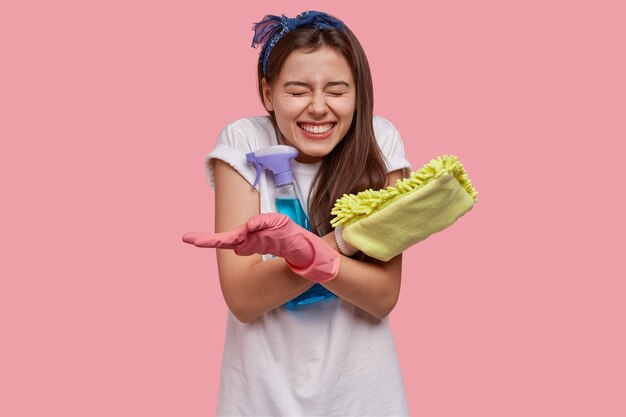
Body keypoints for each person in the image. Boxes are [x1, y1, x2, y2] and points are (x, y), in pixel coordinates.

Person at [183, 11, 413, 416]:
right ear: (268, 94)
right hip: (259, 400)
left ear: (359, 94)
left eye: (338, 91)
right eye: (297, 91)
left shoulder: (379, 140)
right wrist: (336, 249)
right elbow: (244, 298)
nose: (319, 108)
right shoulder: (244, 139)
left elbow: (382, 296)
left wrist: (309, 252)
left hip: (363, 399)